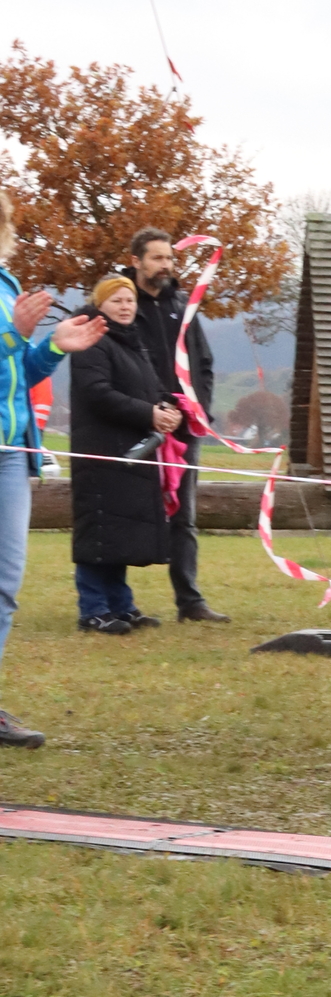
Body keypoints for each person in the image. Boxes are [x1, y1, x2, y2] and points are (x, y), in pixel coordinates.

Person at [0, 192, 105, 743]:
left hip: (12, 454)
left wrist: (54, 348)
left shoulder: (7, 286)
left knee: (4, 585)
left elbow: (19, 368)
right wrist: (15, 335)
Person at [67, 273, 182, 634]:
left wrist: (167, 406)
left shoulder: (132, 341)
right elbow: (97, 393)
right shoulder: (92, 340)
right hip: (100, 453)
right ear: (99, 304)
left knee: (119, 534)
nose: (125, 306)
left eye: (129, 300)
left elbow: (150, 387)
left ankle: (121, 605)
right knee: (99, 532)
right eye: (116, 300)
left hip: (131, 453)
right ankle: (93, 610)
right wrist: (148, 414)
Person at [127, 227, 228, 622]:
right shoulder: (122, 302)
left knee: (183, 516)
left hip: (184, 430)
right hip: (138, 423)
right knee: (126, 510)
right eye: (157, 258)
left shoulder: (184, 307)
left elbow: (203, 363)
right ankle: (117, 602)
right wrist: (148, 410)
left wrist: (197, 409)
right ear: (136, 261)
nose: (165, 265)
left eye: (169, 258)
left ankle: (190, 601)